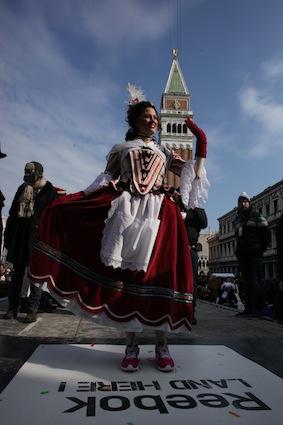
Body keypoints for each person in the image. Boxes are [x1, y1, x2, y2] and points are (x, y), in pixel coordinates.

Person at [29, 85, 209, 371]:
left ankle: (162, 346)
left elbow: (192, 175)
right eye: (148, 116)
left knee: (160, 279)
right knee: (129, 283)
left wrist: (202, 145)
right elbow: (101, 182)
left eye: (155, 118)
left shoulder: (165, 151)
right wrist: (74, 199)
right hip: (126, 214)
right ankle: (132, 346)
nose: (153, 121)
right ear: (135, 120)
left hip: (160, 216)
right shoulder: (120, 150)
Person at [3, 161, 58, 319]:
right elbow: (13, 213)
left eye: (29, 172)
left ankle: (32, 309)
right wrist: (8, 237)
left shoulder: (48, 190)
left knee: (35, 275)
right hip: (19, 238)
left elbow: (54, 217)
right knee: (17, 276)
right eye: (25, 171)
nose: (26, 174)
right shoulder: (22, 188)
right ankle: (12, 308)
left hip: (37, 240)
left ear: (38, 173)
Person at [233, 192, 270, 318]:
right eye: (240, 202)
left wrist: (260, 249)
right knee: (246, 282)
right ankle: (248, 308)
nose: (243, 203)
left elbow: (266, 233)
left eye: (245, 201)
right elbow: (238, 237)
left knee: (256, 281)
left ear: (249, 203)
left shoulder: (255, 215)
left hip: (255, 254)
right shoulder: (237, 219)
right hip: (243, 255)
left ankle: (257, 310)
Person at [183, 207, 207, 324]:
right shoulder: (176, 204)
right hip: (175, 248)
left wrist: (194, 208)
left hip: (190, 249)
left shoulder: (197, 210)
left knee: (192, 283)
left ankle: (190, 313)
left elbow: (204, 223)